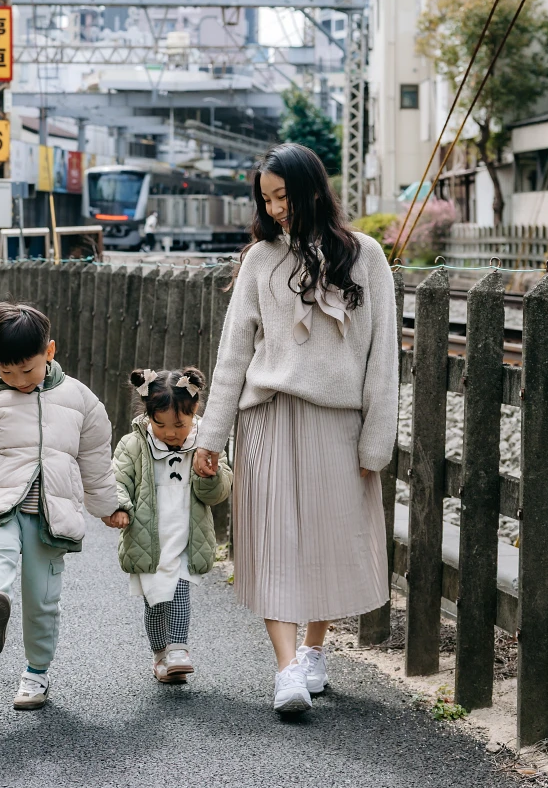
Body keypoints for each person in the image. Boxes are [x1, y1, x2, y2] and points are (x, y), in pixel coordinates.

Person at [193, 142, 397, 715]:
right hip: (267, 416)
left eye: (283, 195)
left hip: (337, 422)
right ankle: (286, 670)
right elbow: (234, 354)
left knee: (328, 541)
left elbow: (383, 358)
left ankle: (313, 652)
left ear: (311, 189)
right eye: (266, 199)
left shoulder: (365, 256)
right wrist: (211, 436)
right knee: (272, 541)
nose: (275, 209)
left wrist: (376, 440)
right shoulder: (259, 260)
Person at [0, 301, 119, 711]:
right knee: (0, 549)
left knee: (43, 599)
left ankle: (36, 673)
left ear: (49, 351)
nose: (17, 380)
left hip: (51, 517)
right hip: (2, 505)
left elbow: (96, 461)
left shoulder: (82, 401)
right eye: (6, 371)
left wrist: (108, 507)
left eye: (26, 370)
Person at [111, 367, 231, 683]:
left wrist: (210, 476)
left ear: (195, 411)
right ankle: (160, 655)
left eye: (179, 424)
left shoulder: (206, 445)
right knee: (155, 604)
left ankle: (178, 651)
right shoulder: (133, 445)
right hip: (148, 538)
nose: (171, 433)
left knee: (178, 589)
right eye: (160, 424)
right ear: (148, 415)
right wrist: (119, 506)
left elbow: (218, 492)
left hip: (186, 534)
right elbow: (118, 479)